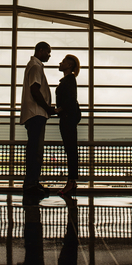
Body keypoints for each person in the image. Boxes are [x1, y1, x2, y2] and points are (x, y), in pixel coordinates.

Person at [20, 41, 55, 198]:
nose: (49, 55)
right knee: (36, 151)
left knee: (34, 150)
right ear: (40, 51)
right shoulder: (35, 66)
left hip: (34, 113)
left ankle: (32, 181)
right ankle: (31, 184)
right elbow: (35, 89)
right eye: (48, 52)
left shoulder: (34, 65)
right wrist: (47, 108)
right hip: (36, 113)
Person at [55, 54, 81, 196]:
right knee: (70, 149)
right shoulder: (68, 80)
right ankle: (72, 181)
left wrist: (60, 109)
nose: (60, 63)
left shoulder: (69, 80)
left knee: (70, 150)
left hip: (67, 118)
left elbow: (71, 99)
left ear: (69, 65)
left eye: (63, 61)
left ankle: (71, 182)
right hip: (67, 117)